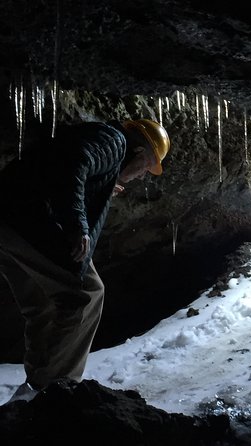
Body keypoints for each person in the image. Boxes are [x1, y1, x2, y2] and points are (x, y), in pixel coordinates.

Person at [0, 118, 170, 403]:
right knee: (87, 293)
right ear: (139, 153)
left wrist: (102, 185)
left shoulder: (106, 152)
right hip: (27, 220)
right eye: (146, 167)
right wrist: (77, 225)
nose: (142, 176)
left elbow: (63, 167)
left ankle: (34, 388)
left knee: (42, 303)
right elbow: (73, 163)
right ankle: (53, 388)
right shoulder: (113, 141)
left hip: (9, 221)